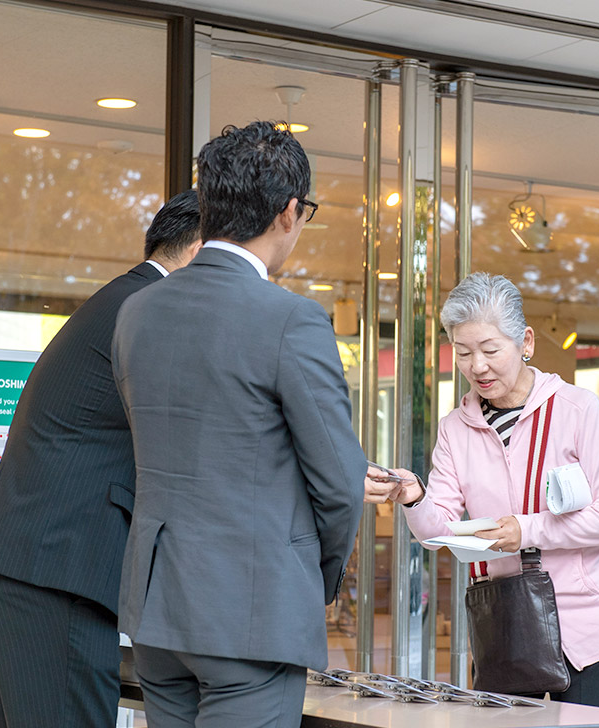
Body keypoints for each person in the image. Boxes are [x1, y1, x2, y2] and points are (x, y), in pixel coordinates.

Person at [111, 121, 365, 728]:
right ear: (289, 211)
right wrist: (313, 582)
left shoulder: (136, 310)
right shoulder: (290, 319)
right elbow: (340, 483)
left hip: (157, 612)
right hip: (251, 612)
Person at [0, 189, 203, 728]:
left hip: (19, 562)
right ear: (200, 248)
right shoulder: (150, 310)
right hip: (55, 573)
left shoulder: (120, 300)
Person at [367, 272, 599, 708]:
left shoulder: (577, 409)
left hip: (586, 630)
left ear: (525, 342)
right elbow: (442, 531)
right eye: (463, 352)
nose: (477, 366)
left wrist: (525, 531)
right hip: (506, 628)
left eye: (490, 350)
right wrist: (415, 497)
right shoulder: (456, 428)